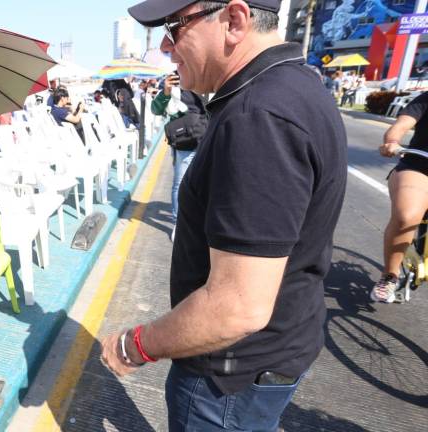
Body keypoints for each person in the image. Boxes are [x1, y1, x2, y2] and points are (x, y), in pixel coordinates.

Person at [103, 1, 347, 431]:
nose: (165, 45)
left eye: (175, 28)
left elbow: (237, 307)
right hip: (274, 349)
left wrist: (135, 344)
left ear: (234, 21)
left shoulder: (259, 116)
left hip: (229, 376)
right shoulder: (293, 86)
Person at [371, 92, 428, 302]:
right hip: (419, 167)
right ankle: (390, 275)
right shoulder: (425, 100)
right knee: (407, 216)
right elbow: (400, 126)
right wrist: (392, 141)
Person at [151, 72, 207, 237]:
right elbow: (156, 109)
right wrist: (166, 91)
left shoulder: (205, 79)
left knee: (205, 184)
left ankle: (198, 220)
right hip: (185, 142)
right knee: (180, 183)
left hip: (208, 138)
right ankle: (178, 223)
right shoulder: (174, 85)